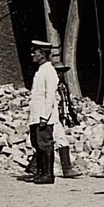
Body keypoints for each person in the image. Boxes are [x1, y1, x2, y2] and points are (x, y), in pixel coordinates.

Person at [25, 40, 65, 184]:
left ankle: (48, 174)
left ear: (42, 54)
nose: (32, 55)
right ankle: (40, 172)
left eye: (35, 52)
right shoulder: (41, 71)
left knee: (45, 145)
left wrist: (44, 116)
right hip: (36, 116)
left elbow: (50, 96)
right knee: (37, 144)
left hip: (44, 117)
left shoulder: (49, 71)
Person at [52, 58, 82, 179]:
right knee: (60, 142)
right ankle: (67, 169)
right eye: (57, 72)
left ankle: (33, 167)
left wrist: (72, 118)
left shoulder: (62, 86)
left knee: (52, 142)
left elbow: (66, 103)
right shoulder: (51, 87)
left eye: (61, 72)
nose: (59, 75)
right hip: (52, 117)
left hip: (60, 118)